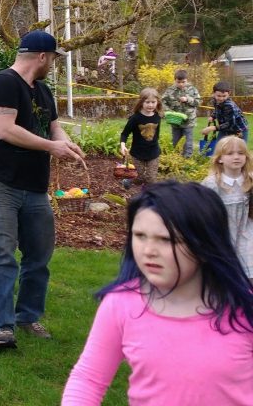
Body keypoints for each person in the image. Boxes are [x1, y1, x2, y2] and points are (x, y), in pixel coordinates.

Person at [62, 182, 253, 405]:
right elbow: (88, 379)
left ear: (205, 244)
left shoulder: (244, 307)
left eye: (166, 239)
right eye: (140, 235)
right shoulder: (120, 304)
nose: (148, 251)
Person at [0, 30, 86, 349]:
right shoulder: (3, 83)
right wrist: (52, 147)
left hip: (34, 187)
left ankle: (27, 316)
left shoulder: (44, 90)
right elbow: (5, 130)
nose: (53, 64)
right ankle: (0, 327)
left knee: (39, 254)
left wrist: (64, 142)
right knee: (3, 251)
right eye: (53, 58)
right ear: (42, 57)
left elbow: (52, 125)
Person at [201, 136, 253, 278]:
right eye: (230, 154)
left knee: (249, 274)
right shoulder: (212, 183)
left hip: (246, 233)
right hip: (222, 234)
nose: (236, 157)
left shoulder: (249, 180)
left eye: (241, 153)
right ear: (220, 158)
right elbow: (200, 211)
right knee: (223, 276)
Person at [119, 88, 162, 187]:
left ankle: (150, 198)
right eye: (147, 102)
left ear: (157, 102)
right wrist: (122, 146)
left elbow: (156, 135)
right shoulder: (135, 118)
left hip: (153, 153)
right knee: (140, 178)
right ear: (141, 102)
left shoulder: (157, 116)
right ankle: (128, 182)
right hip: (137, 154)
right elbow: (124, 134)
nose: (150, 105)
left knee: (151, 179)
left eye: (153, 102)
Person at [201, 81, 249, 156]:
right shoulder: (215, 100)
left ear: (228, 94)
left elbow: (230, 124)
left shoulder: (229, 106)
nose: (221, 98)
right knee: (219, 150)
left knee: (240, 153)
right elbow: (217, 109)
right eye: (219, 96)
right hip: (225, 129)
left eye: (224, 96)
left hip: (239, 130)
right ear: (213, 93)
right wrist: (213, 116)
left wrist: (212, 128)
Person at [160, 69, 201, 158]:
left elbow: (198, 102)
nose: (181, 84)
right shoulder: (170, 90)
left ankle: (187, 158)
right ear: (175, 80)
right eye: (178, 82)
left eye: (183, 82)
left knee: (188, 141)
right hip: (175, 120)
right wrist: (168, 111)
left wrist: (188, 99)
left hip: (189, 121)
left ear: (187, 80)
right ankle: (177, 157)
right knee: (176, 140)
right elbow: (162, 102)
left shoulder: (192, 89)